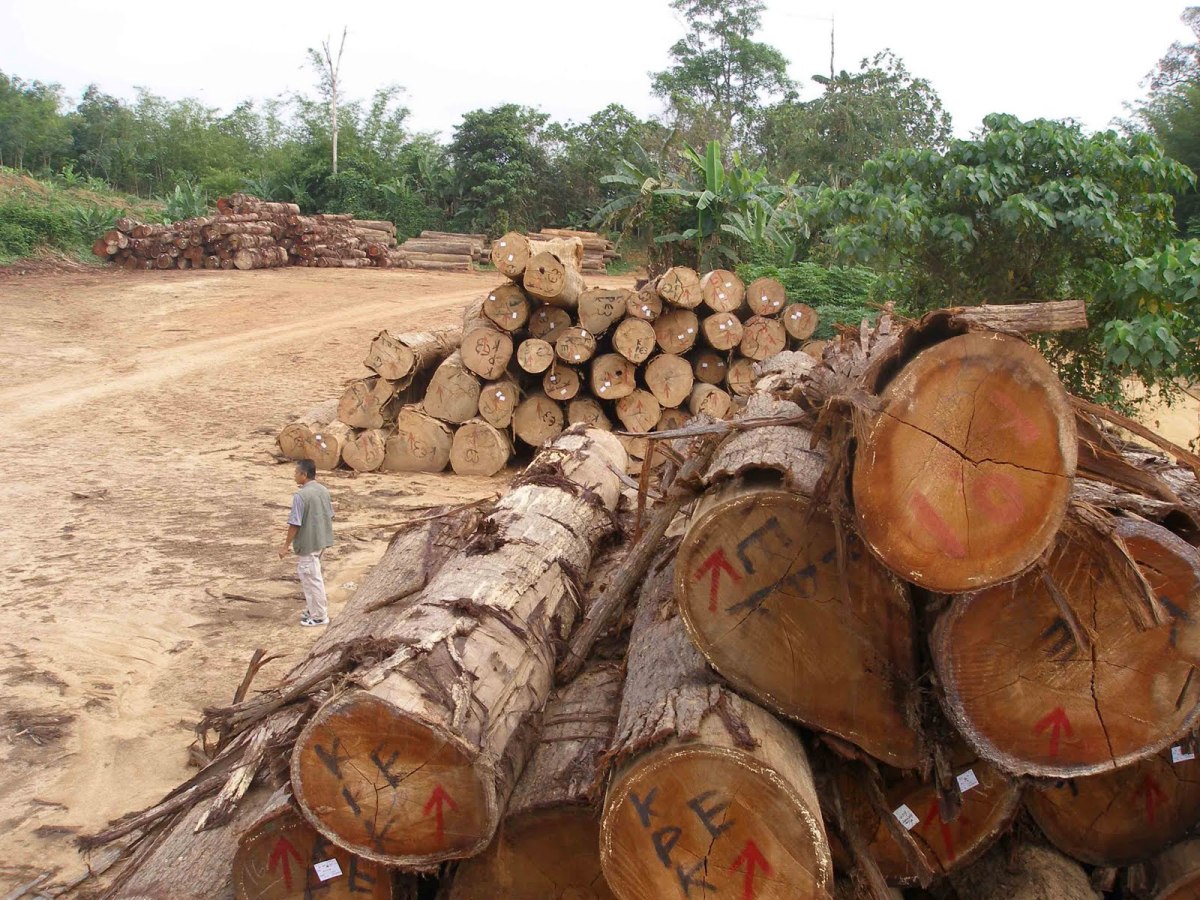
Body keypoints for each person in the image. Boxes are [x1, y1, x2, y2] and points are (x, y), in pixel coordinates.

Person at [278, 459, 334, 626]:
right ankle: (314, 609)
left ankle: (319, 616)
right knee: (312, 576)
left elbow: (295, 522)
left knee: (311, 579)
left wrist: (285, 545)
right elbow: (329, 514)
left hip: (308, 543)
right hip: (321, 540)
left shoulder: (301, 496)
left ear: (304, 475)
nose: (294, 476)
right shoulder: (323, 490)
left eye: (296, 473)